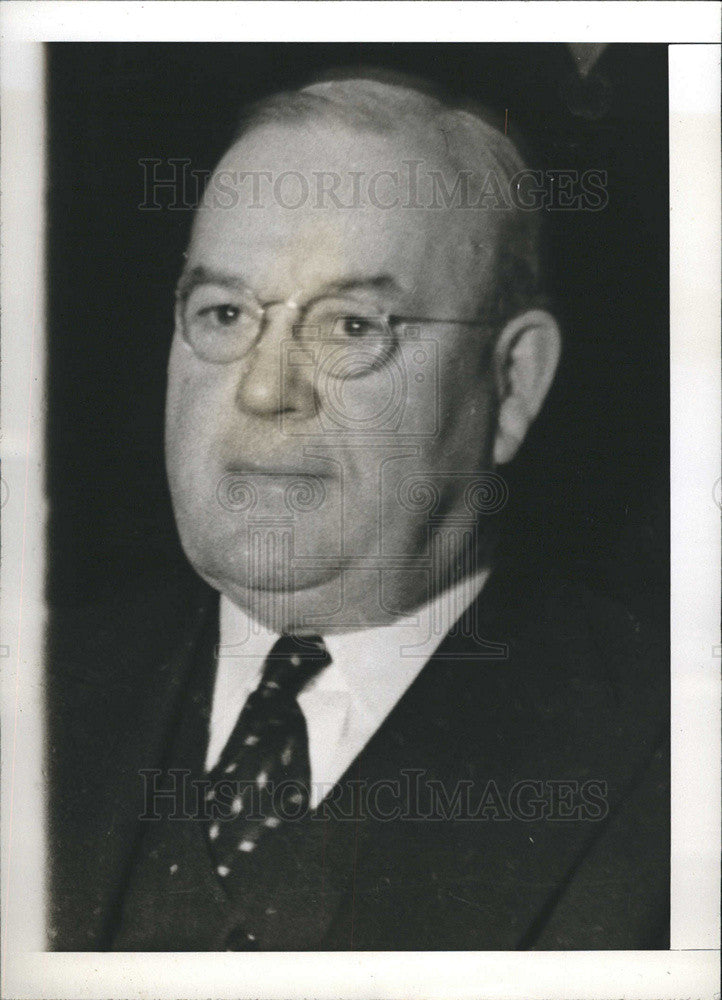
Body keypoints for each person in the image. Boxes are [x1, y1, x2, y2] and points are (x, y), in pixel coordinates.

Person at [47, 74, 669, 951]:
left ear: (512, 383)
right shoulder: (39, 689)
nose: (265, 389)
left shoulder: (673, 762)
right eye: (224, 313)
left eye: (351, 327)